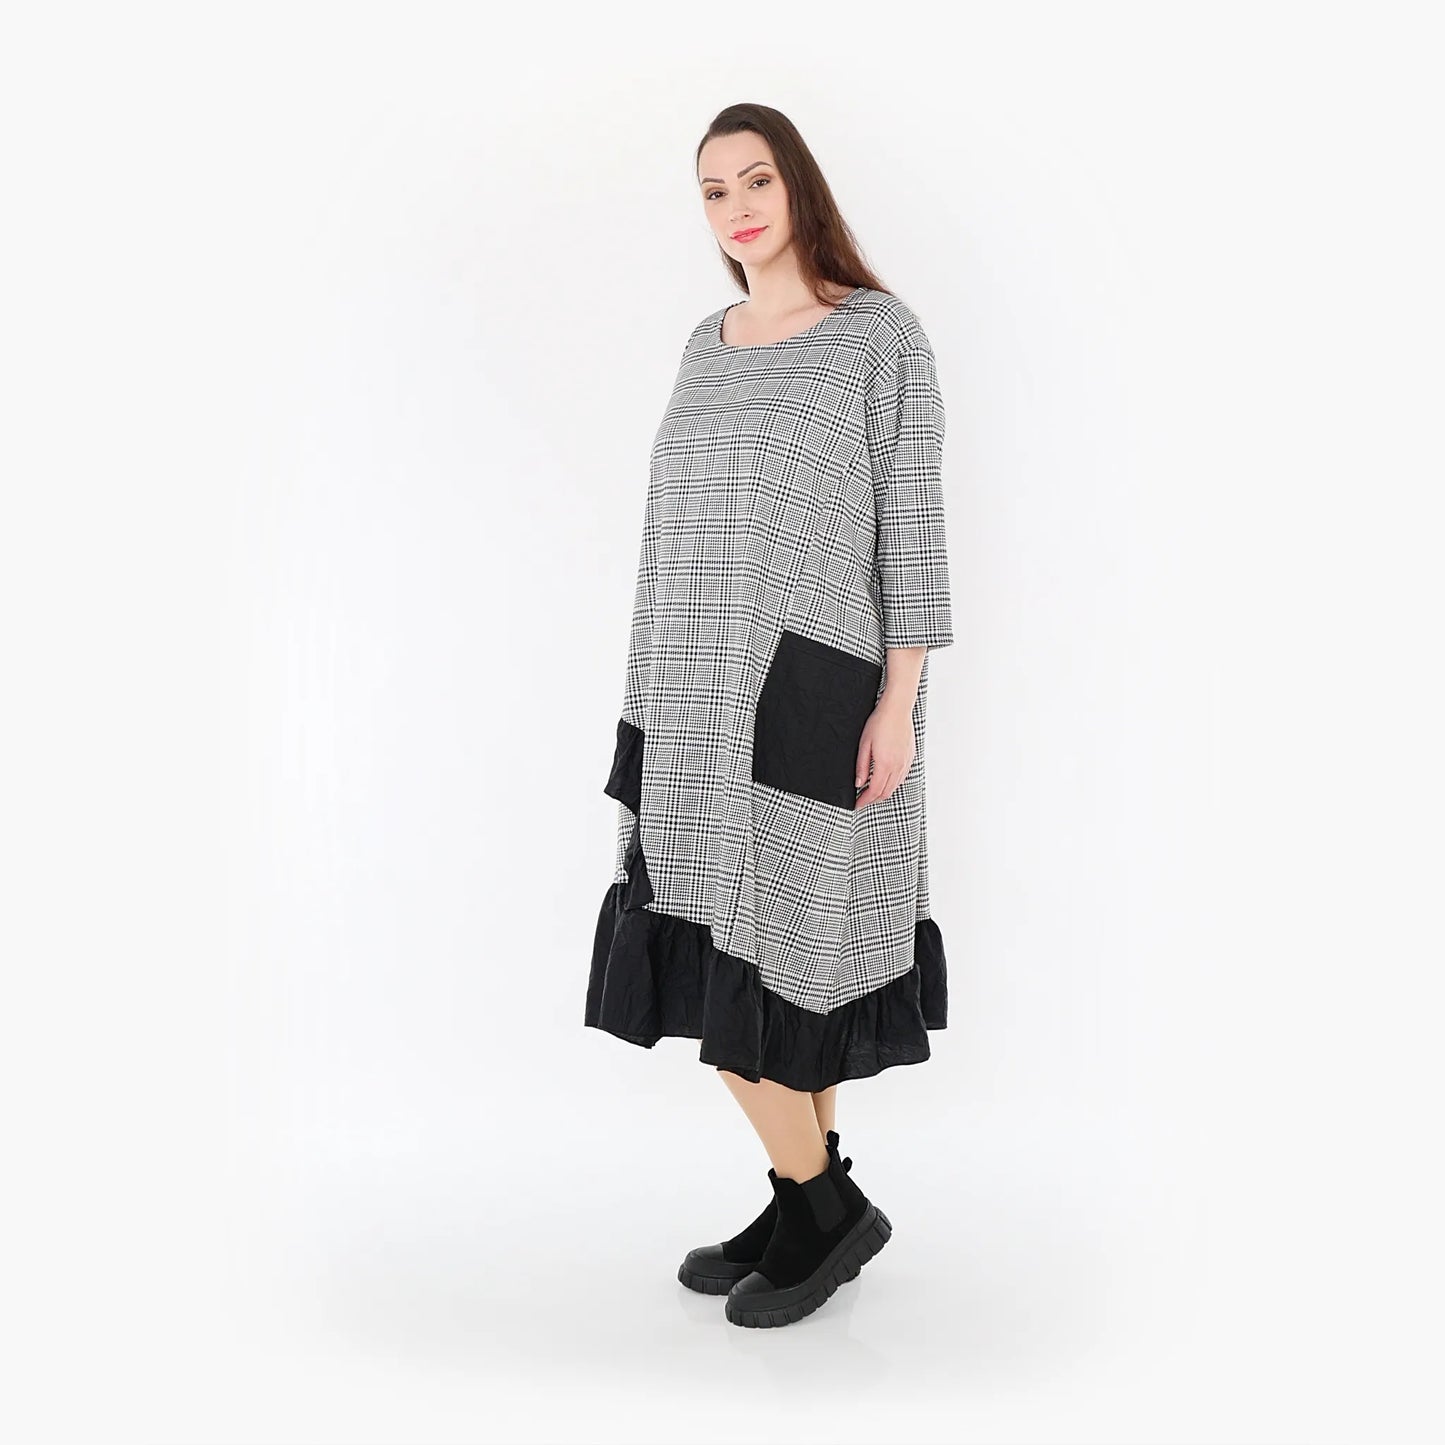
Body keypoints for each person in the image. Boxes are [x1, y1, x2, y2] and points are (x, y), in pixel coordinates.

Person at [584, 102, 956, 1328]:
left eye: (754, 179)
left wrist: (898, 701)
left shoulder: (877, 337)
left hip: (814, 694)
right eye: (712, 190)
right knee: (722, 945)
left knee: (787, 952)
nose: (736, 207)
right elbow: (672, 532)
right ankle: (805, 1198)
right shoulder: (706, 344)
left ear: (797, 186)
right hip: (689, 698)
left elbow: (911, 526)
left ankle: (823, 1210)